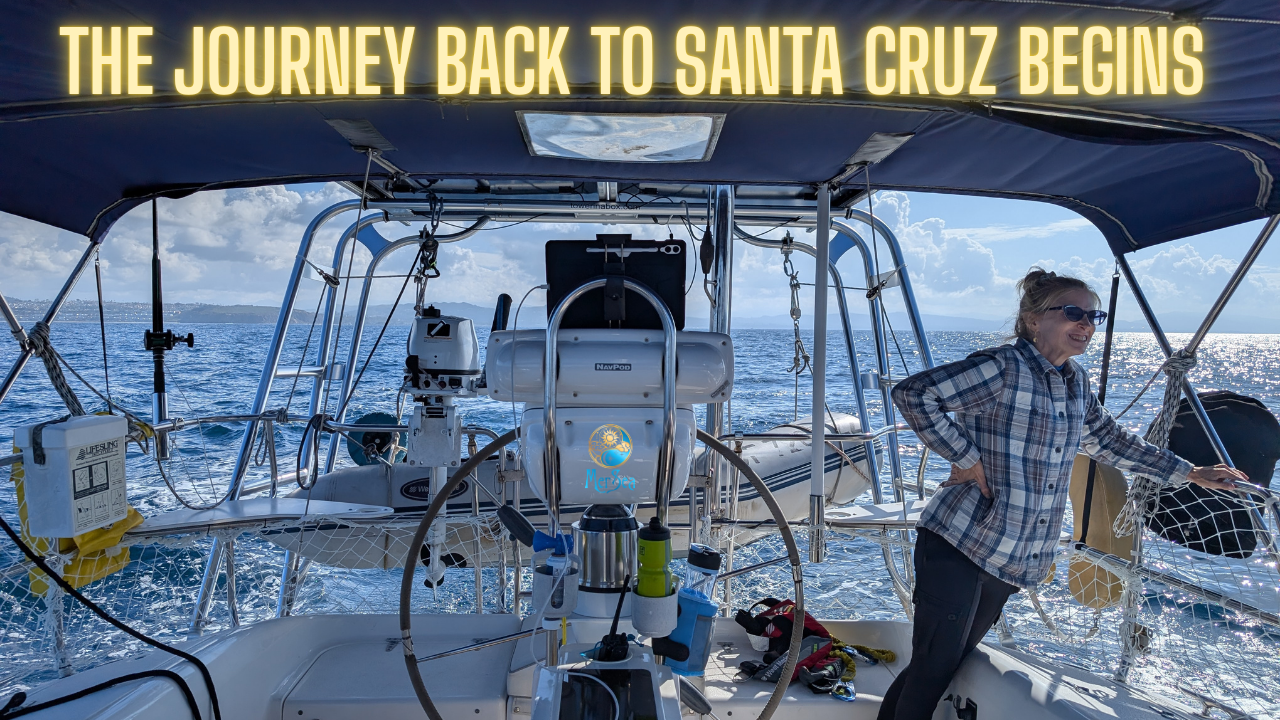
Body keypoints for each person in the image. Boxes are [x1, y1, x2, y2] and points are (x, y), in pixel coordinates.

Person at [877, 268, 1246, 720]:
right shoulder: (1003, 367)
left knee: (941, 664)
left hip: (1010, 552)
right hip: (959, 541)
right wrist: (964, 456)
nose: (1086, 324)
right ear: (1034, 320)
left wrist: (1190, 472)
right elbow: (914, 393)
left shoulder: (1076, 382)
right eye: (1074, 312)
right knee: (932, 668)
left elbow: (1110, 442)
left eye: (1094, 316)